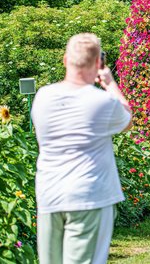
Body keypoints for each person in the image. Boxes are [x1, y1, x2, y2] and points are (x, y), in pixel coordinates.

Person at [31, 33, 132, 264]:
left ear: (66, 60)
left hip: (49, 195)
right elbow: (127, 118)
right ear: (98, 63)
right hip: (89, 196)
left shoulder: (43, 97)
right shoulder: (101, 102)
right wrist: (110, 83)